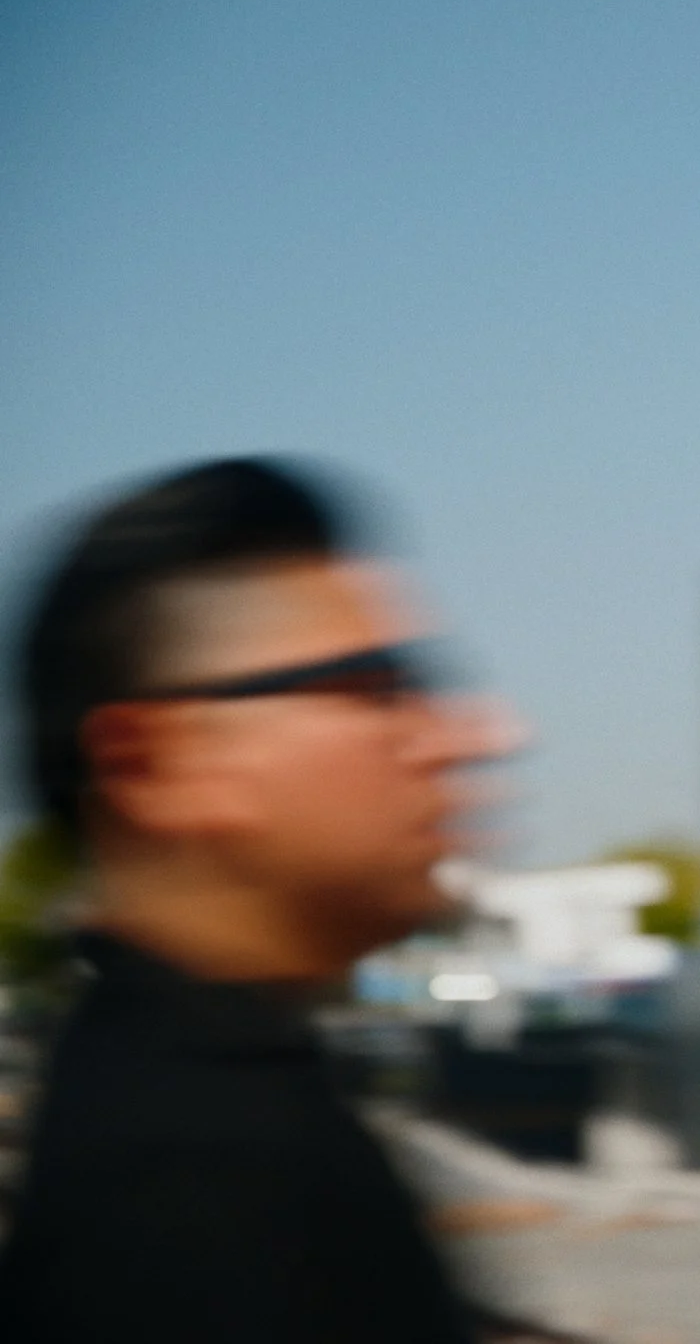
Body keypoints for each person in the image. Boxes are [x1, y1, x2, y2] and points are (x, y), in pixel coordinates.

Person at [0, 458, 514, 1342]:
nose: (475, 736)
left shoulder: (199, 1088)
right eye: (378, 688)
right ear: (151, 763)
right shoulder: (196, 1189)